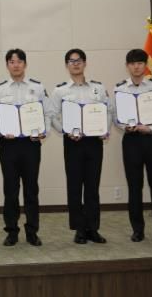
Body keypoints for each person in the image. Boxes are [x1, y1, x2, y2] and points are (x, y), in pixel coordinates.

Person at [0, 48, 54, 247]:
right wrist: (2, 131)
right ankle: (11, 231)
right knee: (10, 190)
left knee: (31, 189)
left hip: (31, 144)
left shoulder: (37, 87)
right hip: (8, 145)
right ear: (7, 65)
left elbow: (47, 113)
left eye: (19, 61)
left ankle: (32, 231)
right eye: (12, 62)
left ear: (25, 64)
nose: (16, 65)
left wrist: (44, 131)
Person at [51, 48, 112, 245]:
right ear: (66, 65)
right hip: (73, 142)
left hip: (94, 142)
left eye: (79, 60)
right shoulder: (60, 90)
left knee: (93, 186)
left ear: (85, 63)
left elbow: (108, 111)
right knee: (75, 186)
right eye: (71, 61)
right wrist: (64, 131)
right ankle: (79, 229)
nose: (75, 64)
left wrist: (105, 128)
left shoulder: (98, 88)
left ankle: (93, 228)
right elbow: (52, 115)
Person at [113, 48, 152, 243]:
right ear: (127, 66)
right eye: (132, 63)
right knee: (134, 186)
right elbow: (115, 116)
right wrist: (125, 126)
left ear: (145, 65)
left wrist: (151, 128)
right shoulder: (120, 89)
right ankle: (137, 230)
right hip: (131, 141)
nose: (136, 67)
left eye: (140, 63)